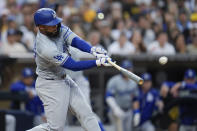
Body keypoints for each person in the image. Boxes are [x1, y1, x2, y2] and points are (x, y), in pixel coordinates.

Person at [27, 8, 111, 131]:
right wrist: (97, 62)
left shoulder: (57, 28)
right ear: (41, 27)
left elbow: (75, 41)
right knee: (55, 128)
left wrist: (93, 50)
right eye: (51, 25)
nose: (55, 26)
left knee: (86, 114)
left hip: (64, 78)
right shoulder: (45, 47)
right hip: (50, 85)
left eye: (55, 22)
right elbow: (73, 66)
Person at [65, 46, 105, 131]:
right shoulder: (52, 50)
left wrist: (99, 54)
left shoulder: (72, 49)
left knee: (87, 111)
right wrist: (98, 60)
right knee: (59, 114)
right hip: (63, 83)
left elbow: (87, 54)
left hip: (79, 82)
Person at [105, 60, 138, 131]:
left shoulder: (133, 82)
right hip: (116, 111)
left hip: (128, 111)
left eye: (129, 69)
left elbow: (135, 99)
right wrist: (115, 108)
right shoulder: (114, 80)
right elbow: (108, 97)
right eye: (126, 69)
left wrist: (136, 112)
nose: (128, 71)